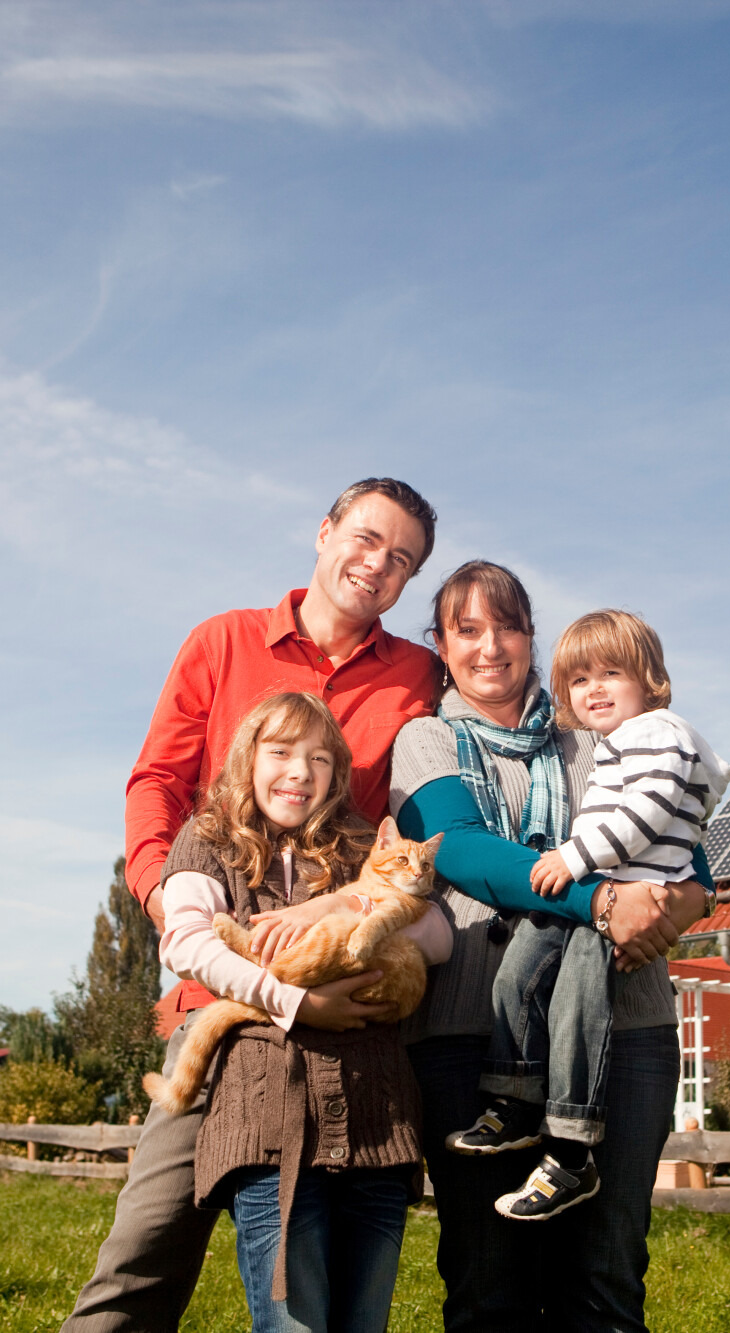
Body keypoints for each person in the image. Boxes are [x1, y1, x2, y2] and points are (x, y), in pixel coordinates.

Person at [62, 478, 441, 1333]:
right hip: (223, 997)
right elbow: (157, 780)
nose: (379, 565)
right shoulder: (223, 642)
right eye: (368, 539)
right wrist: (170, 901)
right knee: (145, 1247)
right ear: (324, 531)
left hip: (343, 1010)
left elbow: (415, 824)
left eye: (404, 560)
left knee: (326, 1280)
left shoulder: (417, 675)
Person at [386, 561, 715, 1332]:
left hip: (624, 1024)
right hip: (473, 1034)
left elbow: (680, 842)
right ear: (441, 644)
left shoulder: (599, 732)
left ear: (532, 636)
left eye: (508, 626)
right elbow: (460, 850)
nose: (491, 647)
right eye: (468, 630)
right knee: (488, 1284)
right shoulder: (424, 739)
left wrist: (683, 899)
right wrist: (603, 902)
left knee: (605, 1279)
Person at [159, 692, 452, 1333]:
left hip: (378, 1118)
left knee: (363, 1322)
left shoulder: (358, 842)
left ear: (338, 773)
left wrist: (349, 912)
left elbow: (440, 936)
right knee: (295, 1324)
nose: (300, 771)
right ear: (248, 758)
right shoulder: (208, 839)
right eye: (281, 752)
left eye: (320, 758)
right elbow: (185, 941)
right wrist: (298, 1004)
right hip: (269, 1124)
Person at [446, 609, 730, 1222]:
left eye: (612, 673)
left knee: (577, 1001)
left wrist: (572, 859)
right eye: (580, 679)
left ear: (651, 680)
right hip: (598, 894)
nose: (594, 689)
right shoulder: (615, 741)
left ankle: (571, 1151)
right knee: (516, 975)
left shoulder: (659, 732)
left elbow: (649, 814)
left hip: (628, 888)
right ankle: (518, 1099)